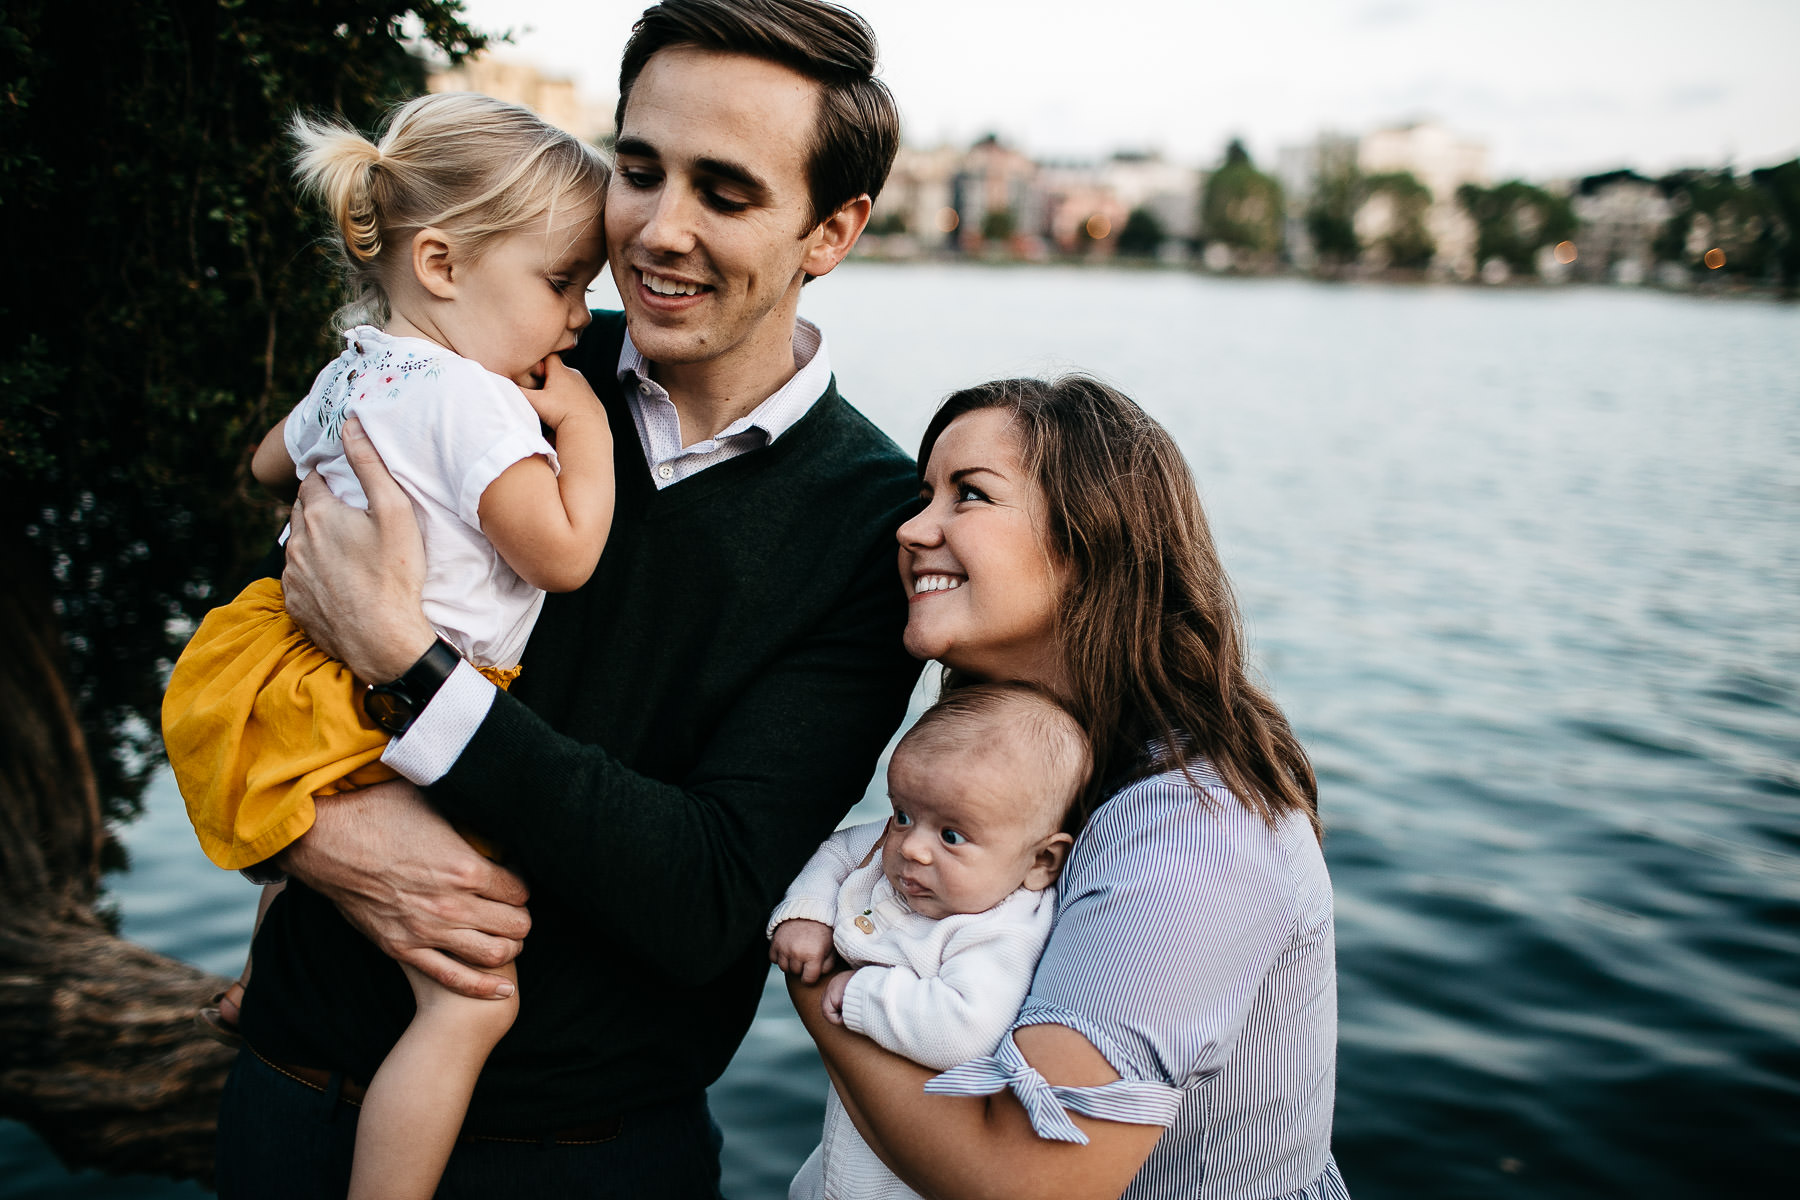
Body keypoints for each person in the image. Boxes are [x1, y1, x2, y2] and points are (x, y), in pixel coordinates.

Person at [207, 3, 919, 1197]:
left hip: (591, 1158)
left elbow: (706, 896)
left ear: (831, 230)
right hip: (292, 1092)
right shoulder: (485, 349)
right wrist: (313, 833)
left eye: (727, 193)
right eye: (640, 170)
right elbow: (262, 640)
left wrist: (407, 667)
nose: (659, 231)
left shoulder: (869, 522)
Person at [163, 91, 614, 1200]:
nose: (580, 320)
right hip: (384, 698)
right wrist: (587, 434)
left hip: (270, 655)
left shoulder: (355, 368)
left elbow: (272, 466)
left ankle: (265, 976)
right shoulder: (479, 405)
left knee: (320, 833)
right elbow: (561, 555)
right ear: (445, 264)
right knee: (473, 999)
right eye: (561, 284)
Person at [790, 376, 1349, 1199]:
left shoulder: (1197, 829)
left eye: (968, 495)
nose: (911, 529)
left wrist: (824, 989)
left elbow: (1021, 1182)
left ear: (1088, 545)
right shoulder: (1026, 771)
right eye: (923, 495)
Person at [769, 682, 1091, 1200]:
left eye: (952, 836)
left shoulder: (1002, 930)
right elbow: (836, 853)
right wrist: (808, 916)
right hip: (840, 1157)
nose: (911, 847)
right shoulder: (908, 855)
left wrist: (860, 994)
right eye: (902, 814)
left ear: (1041, 862)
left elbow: (966, 1028)